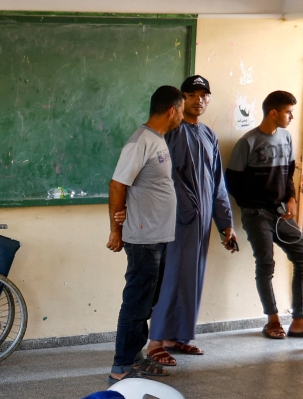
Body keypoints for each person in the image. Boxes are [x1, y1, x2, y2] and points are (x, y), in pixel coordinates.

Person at [146, 76, 236, 366]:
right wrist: (187, 207)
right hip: (176, 220)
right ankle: (155, 342)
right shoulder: (171, 132)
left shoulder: (209, 135)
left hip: (201, 223)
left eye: (204, 95)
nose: (199, 100)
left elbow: (218, 183)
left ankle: (178, 337)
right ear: (181, 100)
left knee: (191, 279)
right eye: (192, 94)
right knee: (170, 279)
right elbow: (164, 177)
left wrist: (226, 225)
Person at [107, 86, 184, 383]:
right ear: (171, 110)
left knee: (146, 302)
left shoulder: (157, 140)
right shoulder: (140, 142)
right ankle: (121, 366)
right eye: (181, 110)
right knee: (137, 301)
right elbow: (117, 185)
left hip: (157, 236)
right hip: (143, 238)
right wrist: (115, 230)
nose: (181, 117)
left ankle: (133, 357)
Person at [225, 91, 301, 339]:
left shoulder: (287, 138)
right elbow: (232, 184)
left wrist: (290, 198)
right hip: (256, 214)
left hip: (280, 214)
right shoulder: (247, 142)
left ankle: (299, 319)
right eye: (288, 112)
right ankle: (273, 319)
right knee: (266, 264)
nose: (291, 116)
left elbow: (288, 174)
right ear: (273, 112)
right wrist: (254, 207)